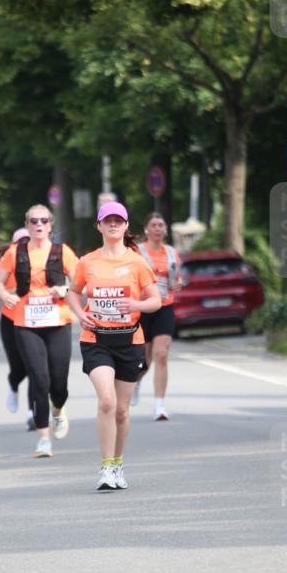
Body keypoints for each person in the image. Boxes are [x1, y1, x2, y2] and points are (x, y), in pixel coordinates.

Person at [67, 201, 161, 491]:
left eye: (118, 221)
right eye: (107, 220)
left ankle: (118, 463)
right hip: (96, 340)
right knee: (106, 401)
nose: (113, 225)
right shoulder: (88, 261)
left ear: (126, 226)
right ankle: (106, 468)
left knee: (121, 411)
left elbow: (156, 300)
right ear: (98, 226)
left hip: (130, 340)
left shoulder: (137, 262)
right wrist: (80, 314)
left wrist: (136, 304)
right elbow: (73, 292)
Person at [0, 206, 78, 458]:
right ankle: (43, 438)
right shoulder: (14, 252)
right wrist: (5, 295)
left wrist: (64, 289)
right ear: (27, 224)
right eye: (33, 221)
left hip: (57, 321)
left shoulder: (63, 252)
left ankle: (58, 410)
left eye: (43, 221)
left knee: (59, 382)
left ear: (50, 225)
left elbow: (79, 281)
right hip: (26, 324)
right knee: (39, 379)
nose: (39, 224)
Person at [133, 212, 182, 420]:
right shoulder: (137, 251)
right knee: (144, 359)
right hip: (143, 308)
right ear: (146, 229)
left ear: (165, 229)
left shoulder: (172, 253)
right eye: (153, 225)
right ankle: (134, 382)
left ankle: (159, 406)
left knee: (161, 355)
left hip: (164, 307)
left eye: (161, 225)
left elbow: (176, 278)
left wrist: (177, 283)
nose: (158, 229)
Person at [0, 227, 35, 430]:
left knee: (35, 366)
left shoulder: (42, 261)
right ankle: (13, 384)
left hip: (34, 320)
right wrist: (9, 292)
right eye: (20, 242)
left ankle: (33, 411)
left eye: (27, 241)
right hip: (10, 320)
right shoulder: (5, 265)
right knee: (18, 367)